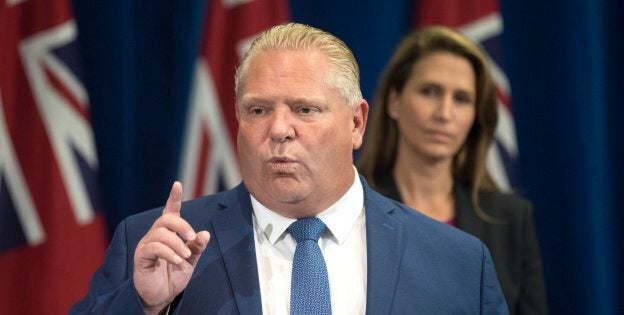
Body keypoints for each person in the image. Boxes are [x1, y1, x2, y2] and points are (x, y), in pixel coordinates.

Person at [72, 23, 508, 314]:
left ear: (356, 123)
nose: (280, 129)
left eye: (304, 109)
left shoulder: (459, 264)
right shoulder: (156, 245)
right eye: (258, 109)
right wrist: (144, 306)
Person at [357, 26, 547, 314]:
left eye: (461, 99)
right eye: (430, 92)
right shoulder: (352, 208)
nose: (444, 113)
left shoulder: (511, 220)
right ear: (395, 102)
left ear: (475, 115)